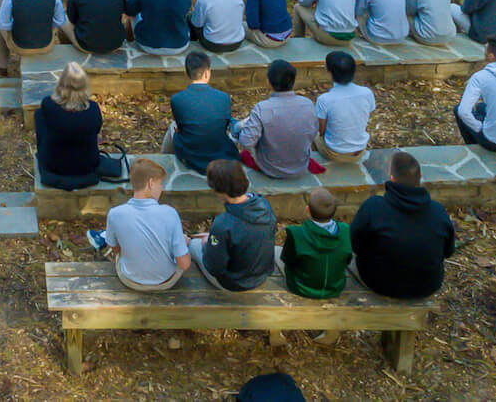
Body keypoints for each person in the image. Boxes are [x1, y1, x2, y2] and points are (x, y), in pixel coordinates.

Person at [350, 152, 455, 299]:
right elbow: (448, 251)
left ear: (391, 178)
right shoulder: (438, 211)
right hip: (426, 286)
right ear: (421, 176)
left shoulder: (373, 207)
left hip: (379, 283)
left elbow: (354, 245)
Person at [86, 158, 193, 292]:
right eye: (160, 184)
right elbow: (184, 264)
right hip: (166, 282)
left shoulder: (115, 213)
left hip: (130, 280)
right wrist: (184, 246)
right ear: (151, 183)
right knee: (183, 248)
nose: (161, 189)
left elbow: (116, 249)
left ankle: (102, 236)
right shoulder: (170, 213)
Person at [187, 159, 278, 292]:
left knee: (192, 244)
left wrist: (208, 243)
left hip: (235, 283)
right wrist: (215, 238)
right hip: (262, 275)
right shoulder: (264, 204)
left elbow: (214, 267)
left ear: (219, 192)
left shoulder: (222, 224)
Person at [35, 63, 125, 190]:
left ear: (61, 83)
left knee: (39, 114)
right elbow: (96, 131)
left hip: (53, 165)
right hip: (87, 166)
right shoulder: (93, 109)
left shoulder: (48, 104)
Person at [236, 60, 326, 178]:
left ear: (268, 82)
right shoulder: (308, 104)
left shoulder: (262, 109)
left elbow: (246, 142)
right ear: (293, 81)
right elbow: (313, 132)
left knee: (238, 128)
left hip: (270, 168)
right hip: (300, 166)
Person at [312, 50, 375, 164]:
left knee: (313, 134)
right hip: (360, 150)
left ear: (329, 72)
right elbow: (366, 117)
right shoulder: (367, 93)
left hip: (335, 152)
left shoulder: (324, 100)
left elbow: (321, 131)